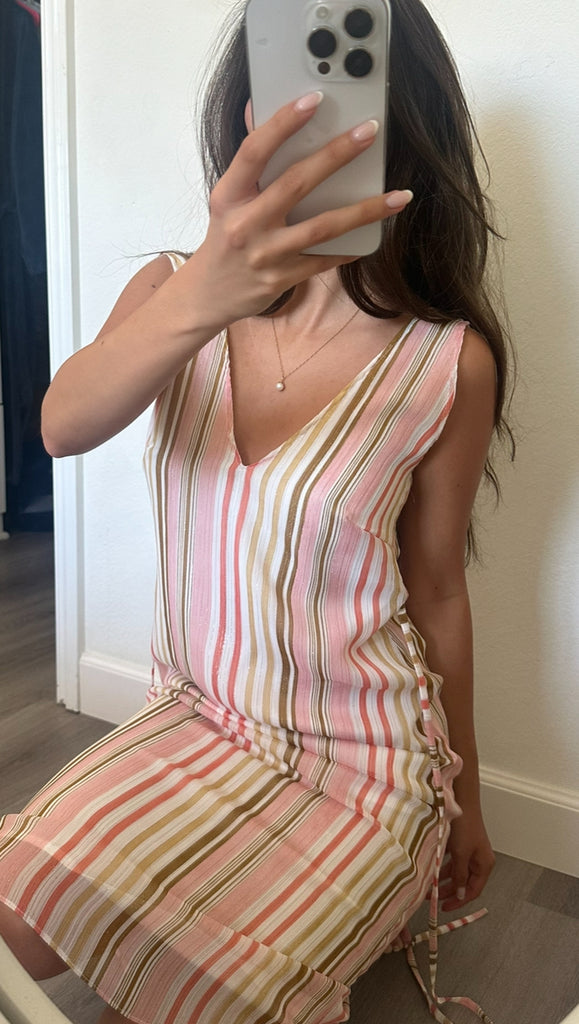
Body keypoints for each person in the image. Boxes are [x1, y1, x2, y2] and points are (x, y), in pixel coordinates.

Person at [0, 1, 514, 1022]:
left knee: (207, 1004)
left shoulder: (447, 362)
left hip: (365, 766)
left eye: (348, 101)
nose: (310, 126)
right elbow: (60, 425)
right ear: (244, 115)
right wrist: (207, 290)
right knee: (13, 922)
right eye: (282, 94)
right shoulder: (172, 295)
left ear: (403, 128)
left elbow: (438, 589)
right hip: (196, 718)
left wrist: (467, 798)